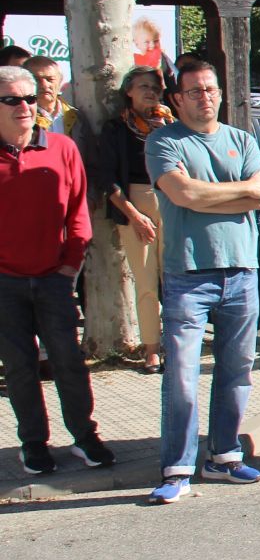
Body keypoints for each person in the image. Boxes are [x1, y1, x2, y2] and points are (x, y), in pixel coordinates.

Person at [144, 56, 260, 502]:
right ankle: (176, 467)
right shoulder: (164, 141)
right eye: (196, 91)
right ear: (177, 98)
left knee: (237, 371)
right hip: (188, 273)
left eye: (211, 89)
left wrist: (206, 198)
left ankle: (224, 456)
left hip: (242, 270)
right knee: (181, 375)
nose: (206, 97)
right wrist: (236, 194)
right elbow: (183, 194)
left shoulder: (242, 138)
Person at [0, 64, 112, 475]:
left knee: (69, 360)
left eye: (29, 98)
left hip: (54, 279)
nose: (24, 107)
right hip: (5, 283)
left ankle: (85, 437)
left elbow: (79, 212)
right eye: (12, 99)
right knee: (19, 367)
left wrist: (70, 265)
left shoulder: (63, 149)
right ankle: (33, 444)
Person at [99, 66, 171, 373]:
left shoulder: (170, 125)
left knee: (176, 280)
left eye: (155, 87)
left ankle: (178, 342)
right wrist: (135, 216)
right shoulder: (115, 128)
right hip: (134, 209)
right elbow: (107, 179)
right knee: (145, 283)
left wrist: (166, 128)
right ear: (128, 91)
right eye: (143, 86)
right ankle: (151, 348)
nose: (150, 92)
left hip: (172, 204)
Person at [22, 55, 77, 137]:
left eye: (50, 79)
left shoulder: (77, 118)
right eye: (36, 79)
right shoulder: (19, 117)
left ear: (60, 81)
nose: (44, 85)